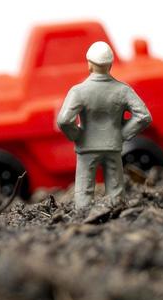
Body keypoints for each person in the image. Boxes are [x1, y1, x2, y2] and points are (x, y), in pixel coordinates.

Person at [56, 41, 152, 212]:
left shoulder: (78, 91)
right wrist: (122, 134)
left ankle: (83, 217)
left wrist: (77, 135)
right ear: (110, 65)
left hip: (86, 148)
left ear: (89, 65)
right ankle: (116, 216)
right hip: (112, 146)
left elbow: (64, 120)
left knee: (84, 191)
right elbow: (143, 116)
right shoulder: (123, 90)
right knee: (115, 190)